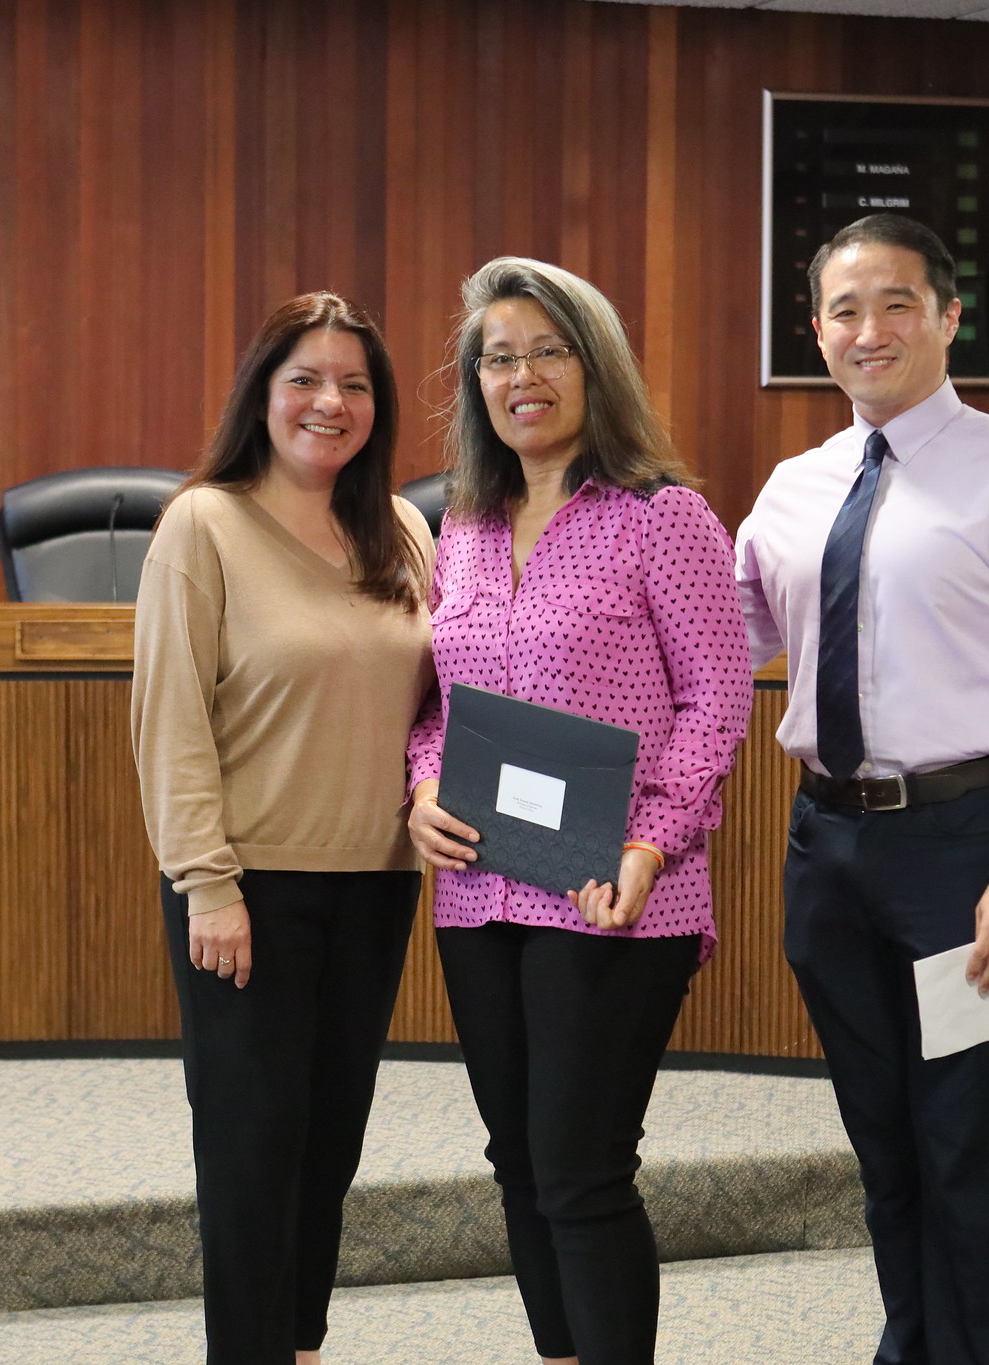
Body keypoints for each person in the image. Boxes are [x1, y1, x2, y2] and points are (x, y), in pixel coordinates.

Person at [734, 214, 989, 1365]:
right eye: (844, 310)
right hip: (828, 853)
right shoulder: (794, 489)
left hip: (966, 855)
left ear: (948, 318)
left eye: (895, 303)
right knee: (886, 1153)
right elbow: (718, 634)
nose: (869, 330)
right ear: (815, 331)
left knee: (971, 1158)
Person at [404, 257, 750, 1365]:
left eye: (546, 350)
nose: (521, 376)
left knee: (579, 1165)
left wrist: (650, 844)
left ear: (592, 365)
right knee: (516, 1159)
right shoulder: (460, 525)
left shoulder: (663, 516)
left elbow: (717, 700)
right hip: (478, 887)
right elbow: (433, 706)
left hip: (615, 893)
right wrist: (419, 789)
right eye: (496, 357)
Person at [131, 292, 434, 1365]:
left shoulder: (399, 527)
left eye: (354, 384)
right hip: (247, 891)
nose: (329, 402)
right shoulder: (201, 524)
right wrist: (205, 883)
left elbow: (436, 707)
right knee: (252, 1152)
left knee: (328, 1145)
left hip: (377, 882)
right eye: (304, 378)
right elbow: (169, 721)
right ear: (262, 394)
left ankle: (298, 1346)